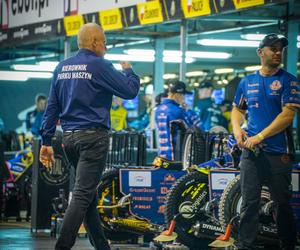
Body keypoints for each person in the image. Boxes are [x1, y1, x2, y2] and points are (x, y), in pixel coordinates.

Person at [39, 23, 140, 250]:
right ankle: (62, 246)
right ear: (95, 42)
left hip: (69, 140)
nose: (106, 46)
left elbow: (52, 107)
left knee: (89, 196)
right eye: (104, 41)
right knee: (83, 195)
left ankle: (102, 246)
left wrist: (46, 141)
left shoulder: (62, 67)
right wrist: (129, 72)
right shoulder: (100, 65)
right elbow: (129, 91)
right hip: (93, 139)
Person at [231, 33, 299, 250]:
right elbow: (237, 109)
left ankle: (288, 245)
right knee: (249, 203)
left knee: (282, 204)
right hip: (252, 154)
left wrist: (259, 136)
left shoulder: (289, 81)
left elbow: (287, 116)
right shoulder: (247, 81)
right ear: (261, 52)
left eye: (280, 49)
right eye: (273, 48)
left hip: (279, 153)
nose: (278, 52)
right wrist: (237, 130)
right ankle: (246, 245)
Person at [155, 80, 201, 160]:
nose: (184, 98)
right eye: (183, 95)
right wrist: (189, 111)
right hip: (175, 158)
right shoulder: (177, 111)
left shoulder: (159, 109)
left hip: (162, 157)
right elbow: (196, 130)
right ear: (177, 95)